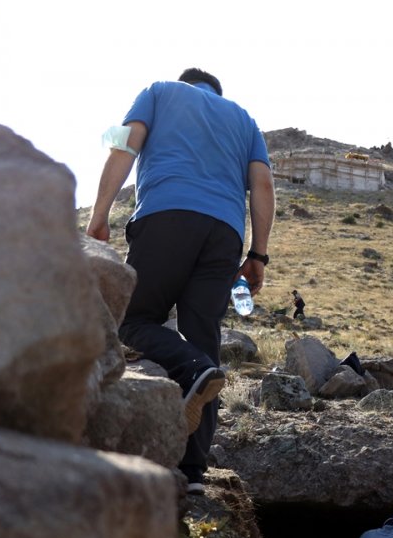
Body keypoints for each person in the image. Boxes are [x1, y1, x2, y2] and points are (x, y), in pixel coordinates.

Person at [85, 67, 275, 494]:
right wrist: (258, 254)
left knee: (132, 321)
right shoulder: (243, 118)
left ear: (187, 82)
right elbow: (262, 183)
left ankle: (195, 368)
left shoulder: (159, 92)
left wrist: (99, 215)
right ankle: (193, 472)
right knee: (203, 337)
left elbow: (123, 147)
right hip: (225, 234)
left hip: (166, 216)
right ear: (216, 92)